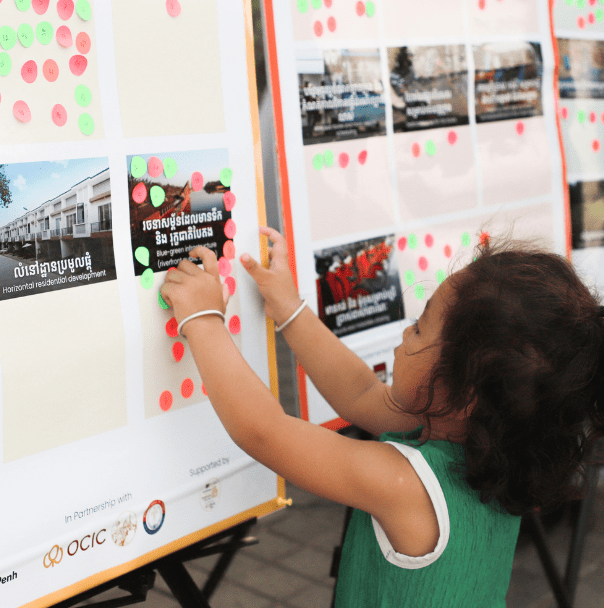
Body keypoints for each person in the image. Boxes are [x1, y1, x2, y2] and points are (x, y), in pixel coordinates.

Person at [160, 226, 604, 607]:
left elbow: (265, 433)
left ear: (465, 388)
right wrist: (289, 308)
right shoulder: (491, 452)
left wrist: (203, 318)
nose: (404, 333)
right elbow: (360, 391)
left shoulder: (409, 486)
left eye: (420, 328)